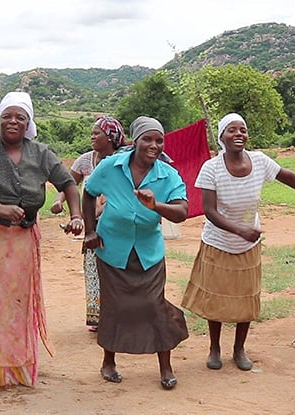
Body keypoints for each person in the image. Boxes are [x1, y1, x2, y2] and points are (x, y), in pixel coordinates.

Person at [0, 91, 83, 393]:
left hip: (20, 238)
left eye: (19, 117)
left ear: (28, 122)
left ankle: (13, 368)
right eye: (7, 115)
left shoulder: (41, 153)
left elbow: (68, 183)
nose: (12, 121)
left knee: (14, 302)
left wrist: (76, 215)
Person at [181, 113, 295, 372]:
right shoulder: (211, 168)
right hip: (218, 241)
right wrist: (240, 230)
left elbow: (286, 176)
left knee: (246, 296)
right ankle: (215, 348)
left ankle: (239, 348)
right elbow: (210, 211)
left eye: (243, 129)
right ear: (221, 137)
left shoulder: (259, 161)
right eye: (232, 130)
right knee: (215, 297)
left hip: (248, 243)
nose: (239, 134)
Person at [82, 116, 189, 390]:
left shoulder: (168, 174)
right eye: (148, 139)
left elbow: (182, 212)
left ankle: (165, 367)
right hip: (112, 251)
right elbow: (88, 192)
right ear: (135, 141)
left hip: (148, 253)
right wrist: (91, 231)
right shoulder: (110, 167)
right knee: (113, 308)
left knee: (154, 307)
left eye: (159, 140)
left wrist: (156, 206)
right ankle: (109, 362)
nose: (154, 145)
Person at [50, 115, 126, 332]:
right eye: (92, 133)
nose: (92, 136)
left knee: (118, 270)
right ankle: (99, 317)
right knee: (94, 267)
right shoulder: (85, 160)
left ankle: (120, 317)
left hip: (117, 224)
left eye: (97, 133)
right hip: (94, 224)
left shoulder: (124, 160)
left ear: (110, 137)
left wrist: (93, 212)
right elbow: (68, 184)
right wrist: (58, 201)